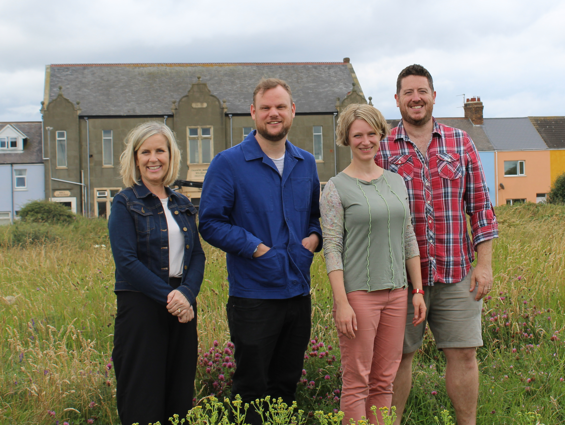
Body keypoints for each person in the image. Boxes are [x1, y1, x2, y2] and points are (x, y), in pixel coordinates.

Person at [376, 64, 499, 425]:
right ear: (397, 100)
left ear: (433, 96)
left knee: (463, 355)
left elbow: (480, 207)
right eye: (408, 93)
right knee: (398, 358)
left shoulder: (460, 143)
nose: (416, 98)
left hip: (456, 273)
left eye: (422, 91)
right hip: (400, 278)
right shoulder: (382, 147)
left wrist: (484, 264)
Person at [199, 78, 322, 424]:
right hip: (253, 296)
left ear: (292, 111)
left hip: (297, 292)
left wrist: (313, 239)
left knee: (286, 385)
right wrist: (256, 249)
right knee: (251, 389)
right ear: (253, 113)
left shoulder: (306, 162)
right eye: (266, 107)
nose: (274, 113)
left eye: (280, 107)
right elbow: (210, 222)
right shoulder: (228, 163)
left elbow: (315, 216)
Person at [320, 104, 426, 424]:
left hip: (397, 294)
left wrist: (417, 290)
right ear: (346, 139)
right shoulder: (335, 188)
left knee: (384, 381)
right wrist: (342, 302)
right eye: (357, 135)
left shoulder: (396, 182)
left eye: (371, 134)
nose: (365, 141)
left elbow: (409, 237)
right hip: (359, 298)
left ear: (381, 134)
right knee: (357, 382)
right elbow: (332, 248)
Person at [108, 122, 206, 425]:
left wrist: (186, 295)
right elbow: (126, 261)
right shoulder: (125, 203)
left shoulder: (182, 204)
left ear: (170, 155)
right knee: (142, 400)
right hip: (141, 309)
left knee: (178, 399)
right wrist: (171, 296)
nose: (154, 158)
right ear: (136, 158)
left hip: (182, 310)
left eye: (159, 151)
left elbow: (198, 257)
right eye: (146, 152)